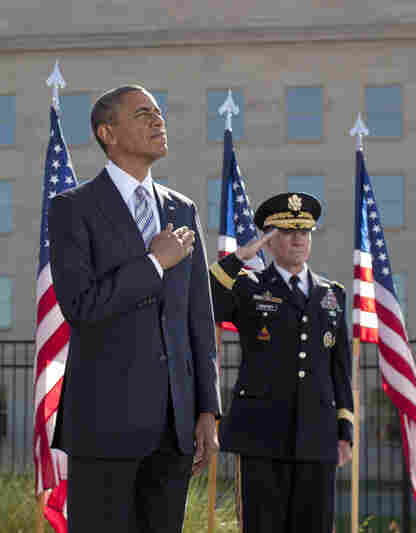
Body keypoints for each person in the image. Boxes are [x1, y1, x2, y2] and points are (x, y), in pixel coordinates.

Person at [48, 85, 222, 533]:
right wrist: (152, 263)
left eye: (159, 113)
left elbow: (198, 319)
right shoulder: (73, 208)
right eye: (143, 113)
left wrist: (206, 408)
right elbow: (81, 306)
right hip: (105, 423)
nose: (158, 121)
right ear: (108, 132)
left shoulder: (182, 209)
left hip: (175, 426)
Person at [209, 192, 353, 532]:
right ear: (270, 241)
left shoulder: (331, 293)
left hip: (317, 435)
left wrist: (344, 429)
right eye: (287, 232)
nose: (298, 239)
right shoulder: (249, 287)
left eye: (304, 232)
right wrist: (240, 257)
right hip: (262, 434)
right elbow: (204, 302)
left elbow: (340, 369)